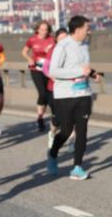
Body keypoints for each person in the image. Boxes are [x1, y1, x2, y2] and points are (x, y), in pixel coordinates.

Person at [46, 16, 98, 180]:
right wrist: (79, 72)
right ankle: (53, 154)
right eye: (86, 28)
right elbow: (54, 71)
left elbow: (84, 67)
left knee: (82, 131)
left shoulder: (85, 46)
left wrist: (93, 73)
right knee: (66, 131)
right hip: (65, 95)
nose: (88, 32)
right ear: (78, 29)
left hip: (84, 93)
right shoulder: (63, 46)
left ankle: (77, 167)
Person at [21, 20, 54, 132]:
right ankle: (40, 118)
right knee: (42, 93)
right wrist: (29, 59)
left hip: (48, 69)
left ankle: (42, 116)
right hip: (36, 69)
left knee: (48, 94)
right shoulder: (32, 40)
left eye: (46, 30)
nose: (44, 32)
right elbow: (24, 52)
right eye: (42, 29)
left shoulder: (51, 40)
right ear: (37, 30)